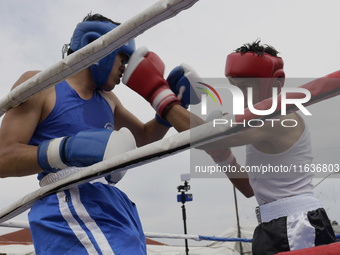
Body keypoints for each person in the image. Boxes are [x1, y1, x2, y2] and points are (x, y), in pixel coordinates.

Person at [0, 13, 199, 254]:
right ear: (96, 46)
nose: (125, 66)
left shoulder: (109, 100)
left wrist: (167, 108)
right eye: (122, 56)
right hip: (66, 198)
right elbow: (3, 157)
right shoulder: (42, 84)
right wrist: (67, 149)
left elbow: (144, 139)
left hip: (111, 201)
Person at [122, 40, 336, 254]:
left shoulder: (278, 117)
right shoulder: (262, 123)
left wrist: (157, 93)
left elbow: (205, 136)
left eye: (247, 87)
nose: (241, 97)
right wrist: (222, 154)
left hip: (296, 226)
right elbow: (248, 188)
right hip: (272, 225)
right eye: (236, 88)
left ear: (275, 83)